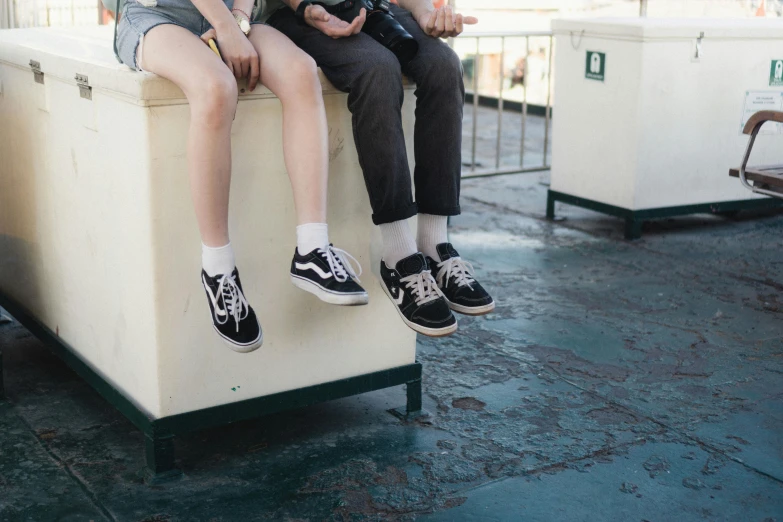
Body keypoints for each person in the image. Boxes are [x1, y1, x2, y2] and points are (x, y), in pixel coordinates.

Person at [114, 0, 368, 353]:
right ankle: (218, 271)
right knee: (216, 86)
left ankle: (312, 248)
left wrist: (238, 20)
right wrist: (228, 28)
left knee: (300, 71)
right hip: (158, 16)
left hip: (234, 16)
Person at [255, 0, 495, 337]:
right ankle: (399, 256)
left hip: (370, 6)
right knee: (376, 68)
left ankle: (434, 243)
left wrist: (426, 13)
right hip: (297, 13)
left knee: (444, 64)